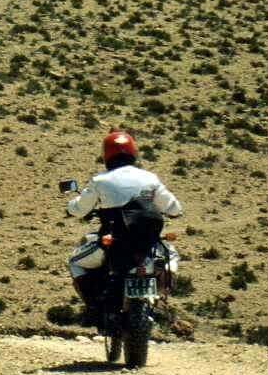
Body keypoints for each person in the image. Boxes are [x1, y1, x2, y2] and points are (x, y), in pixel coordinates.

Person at [65, 130, 182, 325]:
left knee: (75, 262)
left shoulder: (100, 181)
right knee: (173, 256)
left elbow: (79, 208)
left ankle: (92, 307)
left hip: (113, 243)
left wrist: (71, 207)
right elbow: (174, 208)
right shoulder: (150, 178)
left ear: (106, 155)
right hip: (148, 244)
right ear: (133, 153)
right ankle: (161, 296)